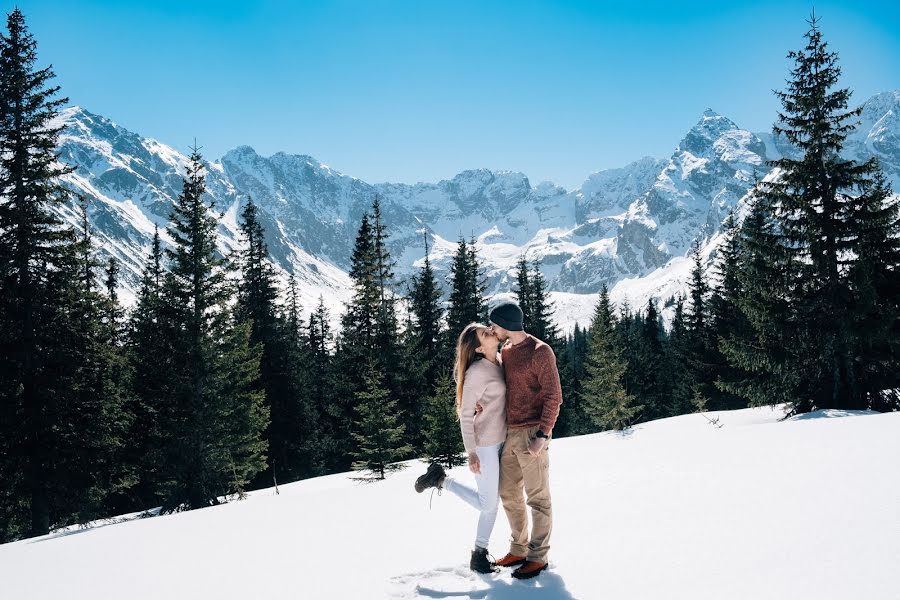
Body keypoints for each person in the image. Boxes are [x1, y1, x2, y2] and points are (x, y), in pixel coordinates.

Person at [414, 323, 507, 574]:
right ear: (478, 347)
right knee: (489, 505)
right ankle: (478, 555)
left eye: (488, 329)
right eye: (485, 334)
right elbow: (466, 414)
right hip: (485, 444)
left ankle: (440, 479)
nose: (490, 332)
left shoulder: (499, 359)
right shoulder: (477, 371)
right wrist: (472, 452)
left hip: (503, 440)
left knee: (490, 502)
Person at [488, 301, 562, 580]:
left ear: (506, 324)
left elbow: (554, 396)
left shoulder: (541, 351)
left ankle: (538, 556)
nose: (491, 329)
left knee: (538, 498)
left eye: (494, 324)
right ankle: (518, 548)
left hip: (533, 433)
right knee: (508, 493)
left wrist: (542, 435)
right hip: (510, 433)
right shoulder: (506, 351)